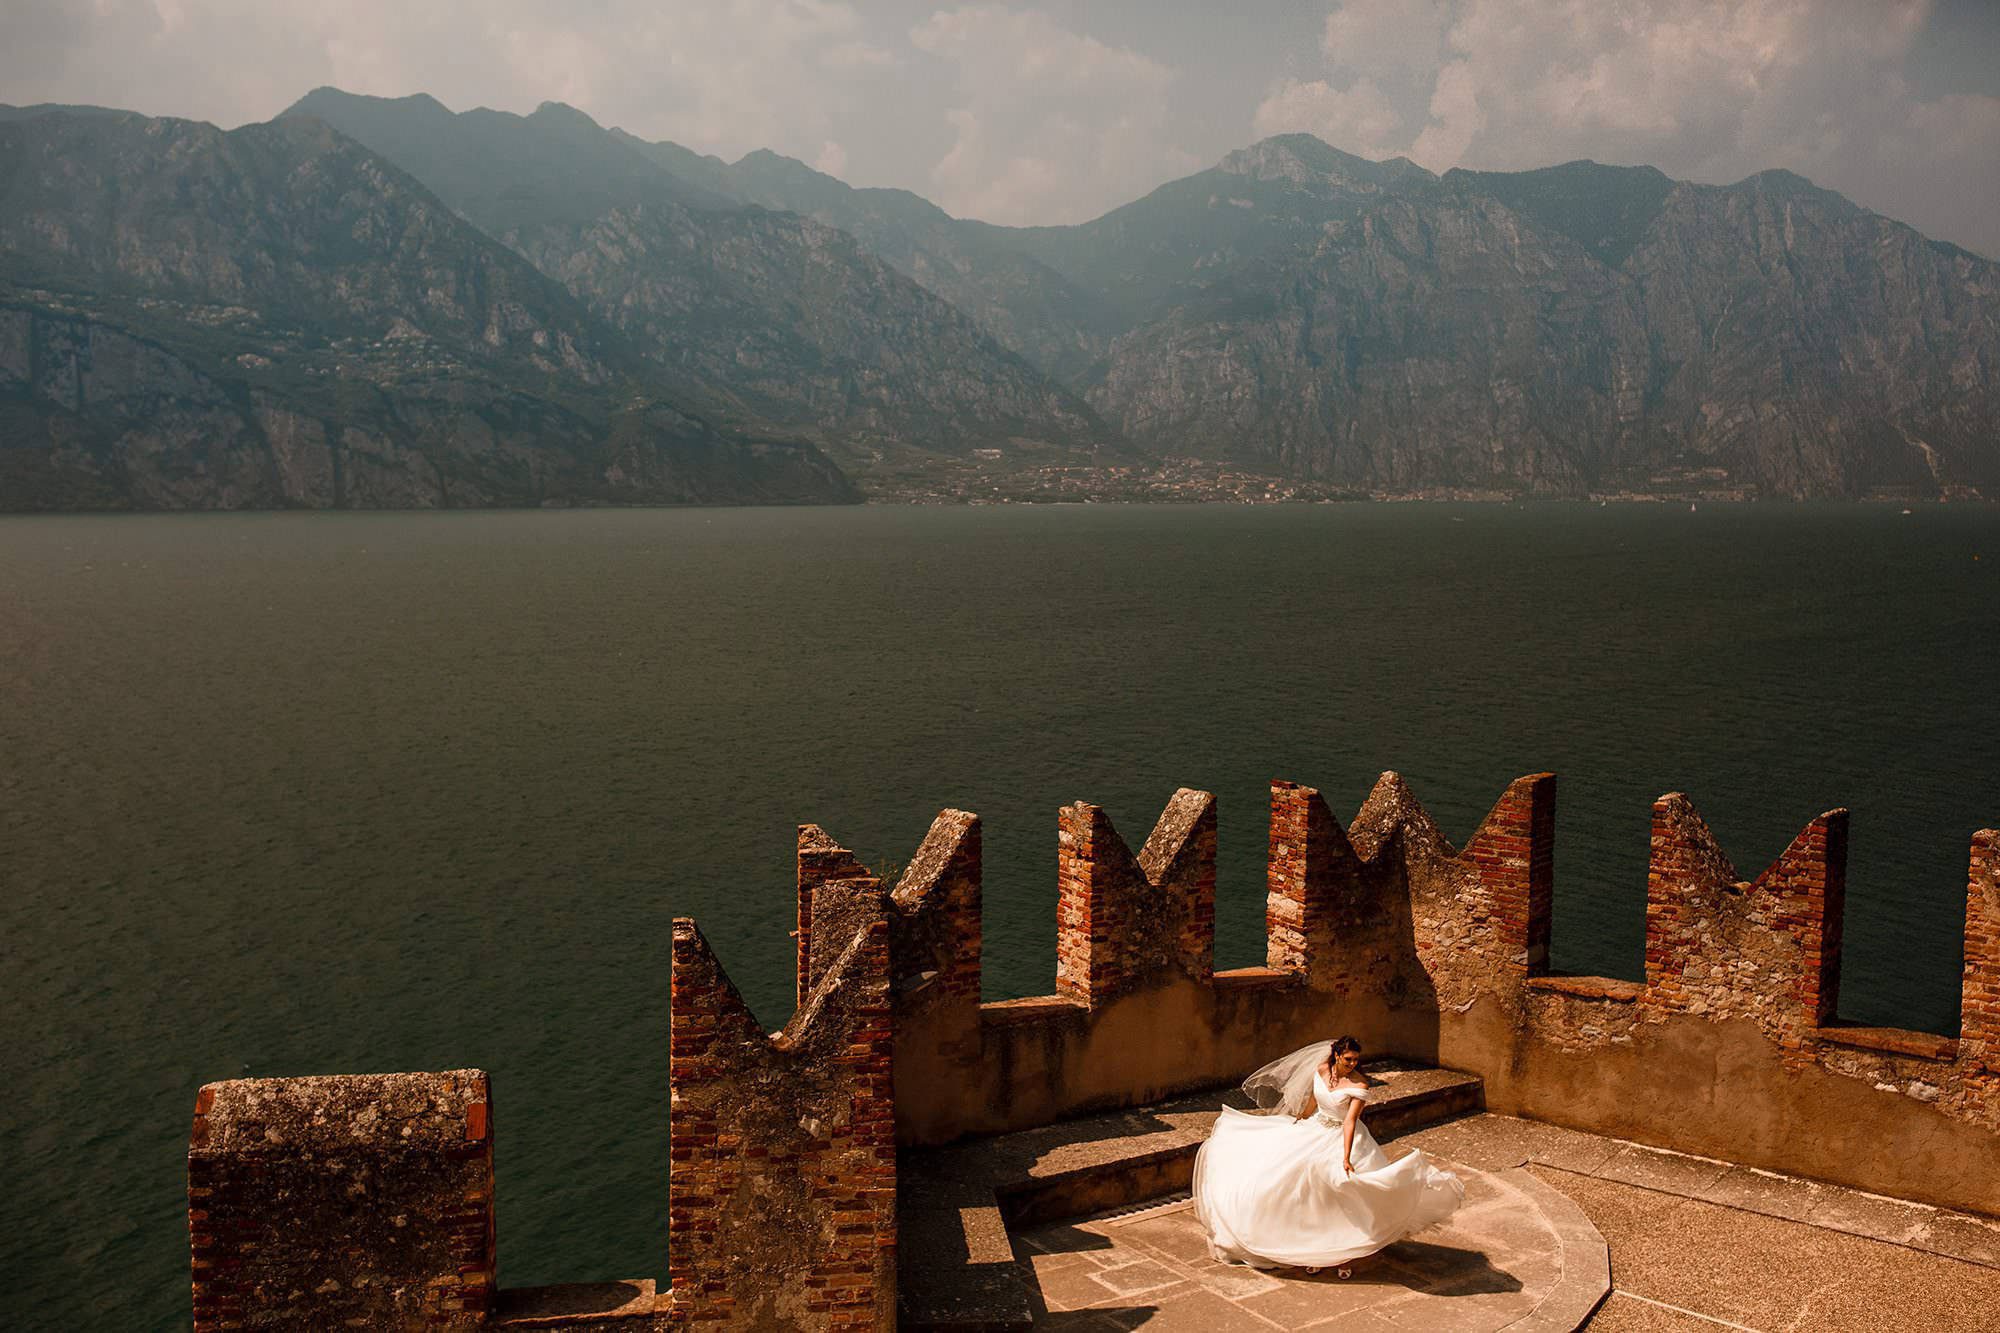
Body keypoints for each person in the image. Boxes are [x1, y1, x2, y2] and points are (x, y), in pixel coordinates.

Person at [1191, 1035, 1465, 1275]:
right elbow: (1314, 1097)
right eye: (1348, 1059)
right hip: (1315, 1127)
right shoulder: (1322, 1069)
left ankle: (1340, 1248)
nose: (1352, 1064)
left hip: (1341, 1137)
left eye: (1356, 1059)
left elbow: (1349, 1122)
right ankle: (1306, 1241)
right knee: (1283, 1178)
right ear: (1336, 1055)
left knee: (1339, 1186)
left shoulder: (1360, 1085)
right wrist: (1303, 1117)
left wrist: (1345, 1157)